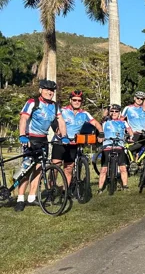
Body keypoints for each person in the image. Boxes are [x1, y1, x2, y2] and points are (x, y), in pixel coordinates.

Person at [15, 80, 69, 212]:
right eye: (47, 89)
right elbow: (23, 118)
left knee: (39, 170)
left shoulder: (55, 106)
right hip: (30, 139)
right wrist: (22, 135)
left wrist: (65, 136)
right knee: (26, 170)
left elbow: (60, 121)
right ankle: (20, 199)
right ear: (40, 90)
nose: (50, 92)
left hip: (43, 140)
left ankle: (32, 197)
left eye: (52, 90)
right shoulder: (33, 102)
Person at [52, 90, 103, 186]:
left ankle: (65, 192)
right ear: (70, 100)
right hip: (59, 142)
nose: (77, 102)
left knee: (69, 168)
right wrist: (56, 129)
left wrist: (101, 132)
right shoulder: (63, 110)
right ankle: (51, 189)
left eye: (79, 100)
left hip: (73, 144)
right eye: (74, 100)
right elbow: (53, 120)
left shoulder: (84, 113)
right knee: (55, 166)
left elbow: (96, 123)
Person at [97, 104, 134, 193]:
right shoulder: (105, 121)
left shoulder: (123, 122)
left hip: (119, 145)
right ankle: (100, 189)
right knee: (104, 169)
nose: (114, 113)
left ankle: (125, 186)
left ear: (119, 113)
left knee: (123, 168)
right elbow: (103, 117)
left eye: (116, 111)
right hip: (107, 146)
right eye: (112, 111)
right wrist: (107, 108)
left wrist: (131, 136)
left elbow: (129, 130)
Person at [121, 91, 145, 163]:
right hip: (132, 133)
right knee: (131, 149)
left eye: (142, 99)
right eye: (138, 98)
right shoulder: (128, 108)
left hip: (142, 133)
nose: (139, 100)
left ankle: (137, 161)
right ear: (134, 98)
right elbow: (121, 120)